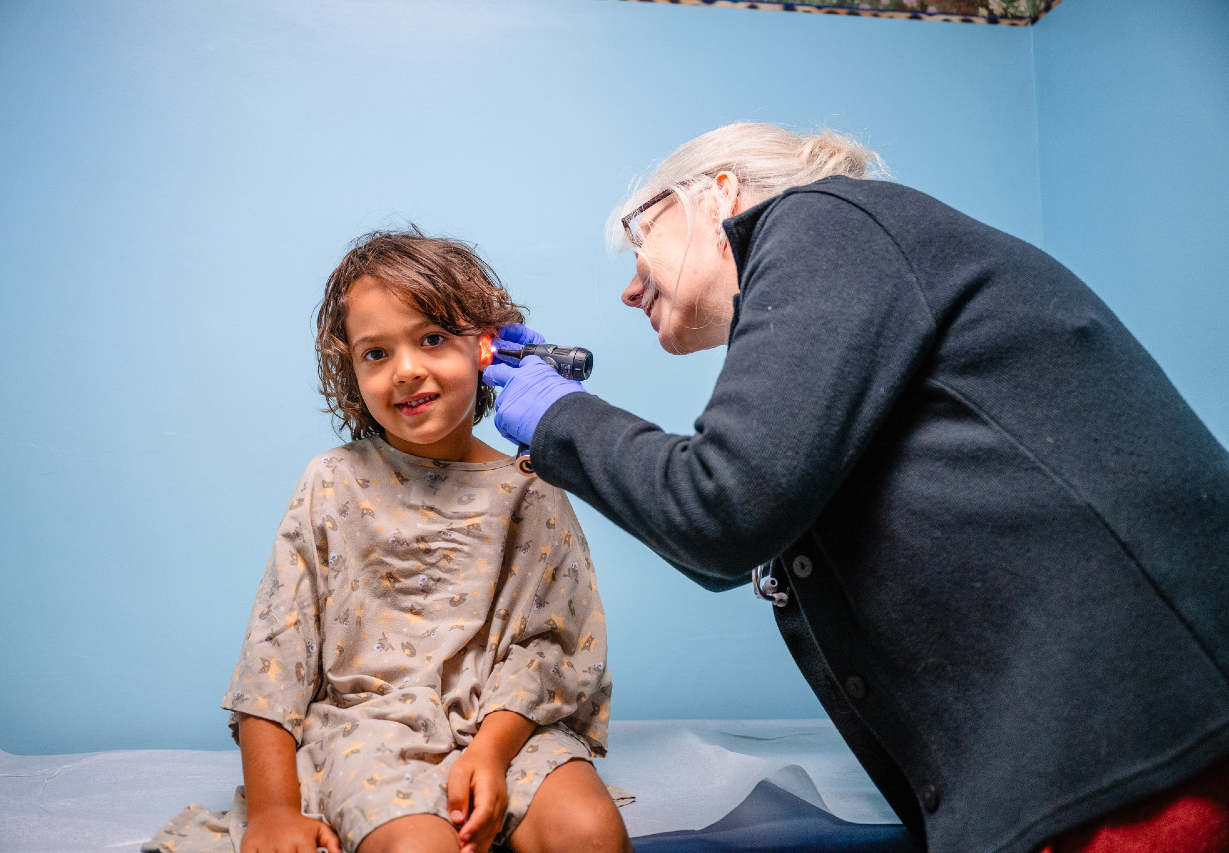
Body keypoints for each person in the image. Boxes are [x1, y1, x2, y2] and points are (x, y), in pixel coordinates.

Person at [482, 123, 1229, 853]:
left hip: (1140, 746)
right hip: (1107, 751)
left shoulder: (821, 219)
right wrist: (559, 434)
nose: (629, 285)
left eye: (641, 234)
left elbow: (724, 509)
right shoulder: (856, 304)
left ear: (718, 195)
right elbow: (728, 544)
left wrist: (560, 415)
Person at [145, 228, 628, 853]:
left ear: (485, 348)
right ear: (349, 367)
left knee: (590, 831)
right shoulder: (333, 483)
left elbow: (547, 650)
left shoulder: (530, 488)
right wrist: (272, 811)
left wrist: (487, 752)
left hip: (507, 732)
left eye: (432, 338)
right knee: (416, 847)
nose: (407, 370)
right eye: (376, 353)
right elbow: (277, 656)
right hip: (368, 730)